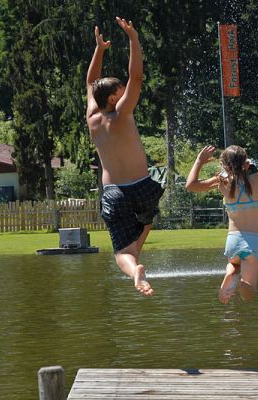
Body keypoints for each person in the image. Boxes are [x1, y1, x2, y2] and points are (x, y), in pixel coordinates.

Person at [86, 18, 163, 296]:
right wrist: (133, 38)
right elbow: (137, 78)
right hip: (142, 187)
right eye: (120, 93)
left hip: (113, 192)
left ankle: (134, 269)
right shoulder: (121, 114)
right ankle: (136, 263)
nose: (125, 95)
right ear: (111, 99)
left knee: (121, 252)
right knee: (147, 220)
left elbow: (90, 82)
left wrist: (100, 50)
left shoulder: (93, 118)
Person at [185, 145, 258, 303]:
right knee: (249, 293)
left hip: (233, 241)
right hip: (253, 241)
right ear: (245, 163)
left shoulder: (222, 181)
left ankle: (232, 272)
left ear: (224, 165)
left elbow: (191, 185)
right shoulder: (257, 178)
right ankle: (243, 284)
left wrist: (199, 161)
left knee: (236, 265)